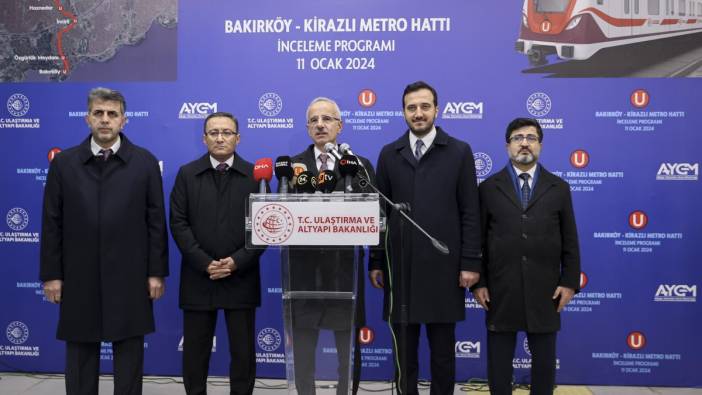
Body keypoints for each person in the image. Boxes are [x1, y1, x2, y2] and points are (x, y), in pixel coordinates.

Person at [40, 87, 169, 395]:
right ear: (87, 119)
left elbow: (155, 223)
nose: (105, 120)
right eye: (98, 113)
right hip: (78, 275)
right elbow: (51, 224)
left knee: (129, 352)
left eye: (112, 114)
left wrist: (155, 272)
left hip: (130, 275)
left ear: (124, 120)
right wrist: (52, 275)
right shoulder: (64, 164)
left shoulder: (145, 162)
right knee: (81, 354)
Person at [370, 81, 482, 394]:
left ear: (437, 109)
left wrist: (471, 262)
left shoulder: (459, 151)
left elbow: (470, 212)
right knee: (404, 356)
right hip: (401, 267)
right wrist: (377, 260)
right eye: (411, 108)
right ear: (403, 112)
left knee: (443, 354)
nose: (418, 114)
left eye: (424, 107)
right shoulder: (389, 154)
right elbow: (380, 214)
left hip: (443, 267)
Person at [472, 118, 580, 395]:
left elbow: (570, 239)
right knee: (498, 364)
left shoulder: (559, 188)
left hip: (546, 289)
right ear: (507, 145)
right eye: (518, 137)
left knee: (544, 363)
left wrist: (569, 282)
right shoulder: (487, 188)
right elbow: (477, 240)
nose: (524, 143)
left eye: (531, 138)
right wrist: (479, 282)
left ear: (540, 145)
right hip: (500, 288)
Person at [169, 112, 265, 395]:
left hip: (241, 277)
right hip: (200, 277)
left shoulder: (256, 176)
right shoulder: (187, 174)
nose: (220, 138)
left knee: (243, 354)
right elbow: (178, 222)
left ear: (238, 137)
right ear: (204, 138)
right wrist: (204, 262)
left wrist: (236, 262)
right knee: (195, 353)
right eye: (213, 132)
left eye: (226, 132)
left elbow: (267, 227)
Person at [289, 97, 376, 395]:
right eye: (314, 120)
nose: (320, 124)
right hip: (303, 274)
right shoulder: (293, 166)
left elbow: (374, 214)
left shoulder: (359, 165)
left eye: (327, 119)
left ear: (340, 125)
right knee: (303, 353)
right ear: (307, 128)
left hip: (344, 272)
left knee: (346, 352)